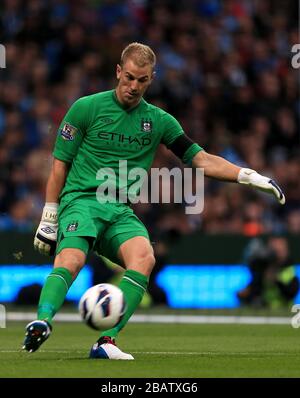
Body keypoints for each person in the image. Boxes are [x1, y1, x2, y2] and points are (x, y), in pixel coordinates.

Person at [22, 42, 285, 360]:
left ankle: (107, 341)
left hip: (119, 209)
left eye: (142, 80)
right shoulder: (86, 108)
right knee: (72, 260)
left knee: (144, 258)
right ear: (118, 71)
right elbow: (60, 163)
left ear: (151, 79)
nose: (133, 86)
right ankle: (42, 321)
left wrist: (248, 175)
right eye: (129, 77)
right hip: (82, 201)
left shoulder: (159, 121)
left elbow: (200, 160)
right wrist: (49, 215)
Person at [238, 236, 299, 308]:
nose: (276, 255)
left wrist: (276, 280)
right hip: (265, 308)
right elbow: (254, 290)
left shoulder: (289, 270)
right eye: (273, 250)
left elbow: (290, 293)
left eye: (279, 251)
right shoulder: (263, 268)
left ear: (286, 251)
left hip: (284, 309)